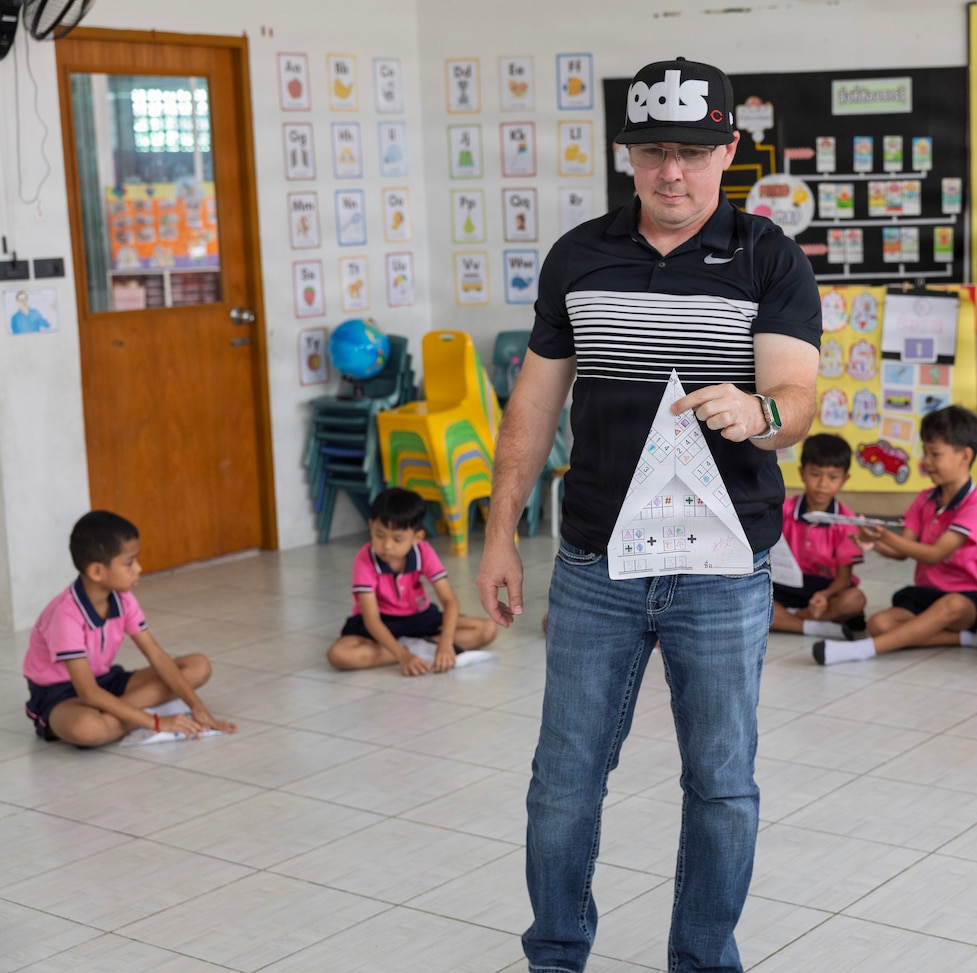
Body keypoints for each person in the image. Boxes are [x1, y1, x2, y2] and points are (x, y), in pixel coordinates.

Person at [474, 57, 820, 973]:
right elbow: (533, 406)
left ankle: (702, 961)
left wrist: (759, 411)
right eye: (655, 151)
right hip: (595, 563)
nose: (674, 172)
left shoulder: (769, 257)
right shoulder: (577, 256)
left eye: (694, 152)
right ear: (627, 154)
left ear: (728, 151)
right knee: (562, 783)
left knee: (722, 786)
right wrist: (501, 533)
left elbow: (798, 398)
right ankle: (555, 957)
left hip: (722, 567)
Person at [23, 511, 235, 746]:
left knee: (198, 666)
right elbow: (88, 693)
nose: (139, 568)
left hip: (105, 681)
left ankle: (116, 715)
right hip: (61, 695)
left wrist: (197, 707)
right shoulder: (65, 615)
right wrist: (156, 722)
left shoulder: (123, 599)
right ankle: (132, 714)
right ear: (96, 571)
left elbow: (157, 656)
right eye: (129, 563)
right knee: (88, 729)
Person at [814, 406, 977, 666]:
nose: (926, 461)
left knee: (952, 605)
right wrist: (874, 542)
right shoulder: (925, 499)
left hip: (968, 600)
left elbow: (934, 555)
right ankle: (966, 639)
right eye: (925, 452)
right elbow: (903, 551)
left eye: (935, 454)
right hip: (926, 594)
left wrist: (886, 536)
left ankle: (861, 650)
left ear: (965, 456)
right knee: (879, 624)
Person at [327, 487, 496, 675]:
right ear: (371, 525)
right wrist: (402, 656)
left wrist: (446, 643)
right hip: (381, 621)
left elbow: (450, 601)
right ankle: (420, 648)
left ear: (417, 537)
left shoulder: (423, 551)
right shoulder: (365, 559)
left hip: (418, 618)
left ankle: (418, 646)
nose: (387, 545)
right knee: (339, 655)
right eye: (379, 535)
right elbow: (372, 620)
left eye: (397, 539)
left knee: (487, 630)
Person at [772, 433, 867, 639]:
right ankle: (814, 626)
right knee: (751, 599)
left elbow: (844, 578)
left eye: (832, 477)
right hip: (785, 586)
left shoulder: (846, 522)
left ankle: (789, 619)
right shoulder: (783, 510)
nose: (823, 484)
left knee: (855, 600)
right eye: (815, 474)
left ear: (845, 479)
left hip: (827, 590)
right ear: (802, 473)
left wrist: (825, 595)